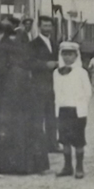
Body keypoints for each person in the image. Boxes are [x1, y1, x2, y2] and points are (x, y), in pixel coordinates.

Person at [0, 21, 50, 175]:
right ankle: (31, 165)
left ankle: (7, 165)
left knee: (7, 127)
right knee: (26, 127)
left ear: (1, 34)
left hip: (7, 94)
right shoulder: (18, 48)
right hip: (25, 93)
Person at [53, 41, 93, 179]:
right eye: (64, 54)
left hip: (77, 111)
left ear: (76, 55)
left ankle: (79, 166)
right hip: (62, 110)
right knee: (65, 139)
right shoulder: (56, 73)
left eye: (70, 54)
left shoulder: (81, 72)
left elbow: (88, 92)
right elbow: (56, 91)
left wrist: (81, 106)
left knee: (78, 140)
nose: (67, 57)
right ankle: (67, 166)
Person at [27, 16, 61, 152]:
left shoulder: (55, 44)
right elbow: (29, 62)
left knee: (52, 116)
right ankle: (38, 145)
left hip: (53, 85)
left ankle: (52, 144)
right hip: (39, 85)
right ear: (39, 27)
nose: (47, 28)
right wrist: (45, 64)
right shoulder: (33, 44)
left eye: (49, 26)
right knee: (38, 116)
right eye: (45, 26)